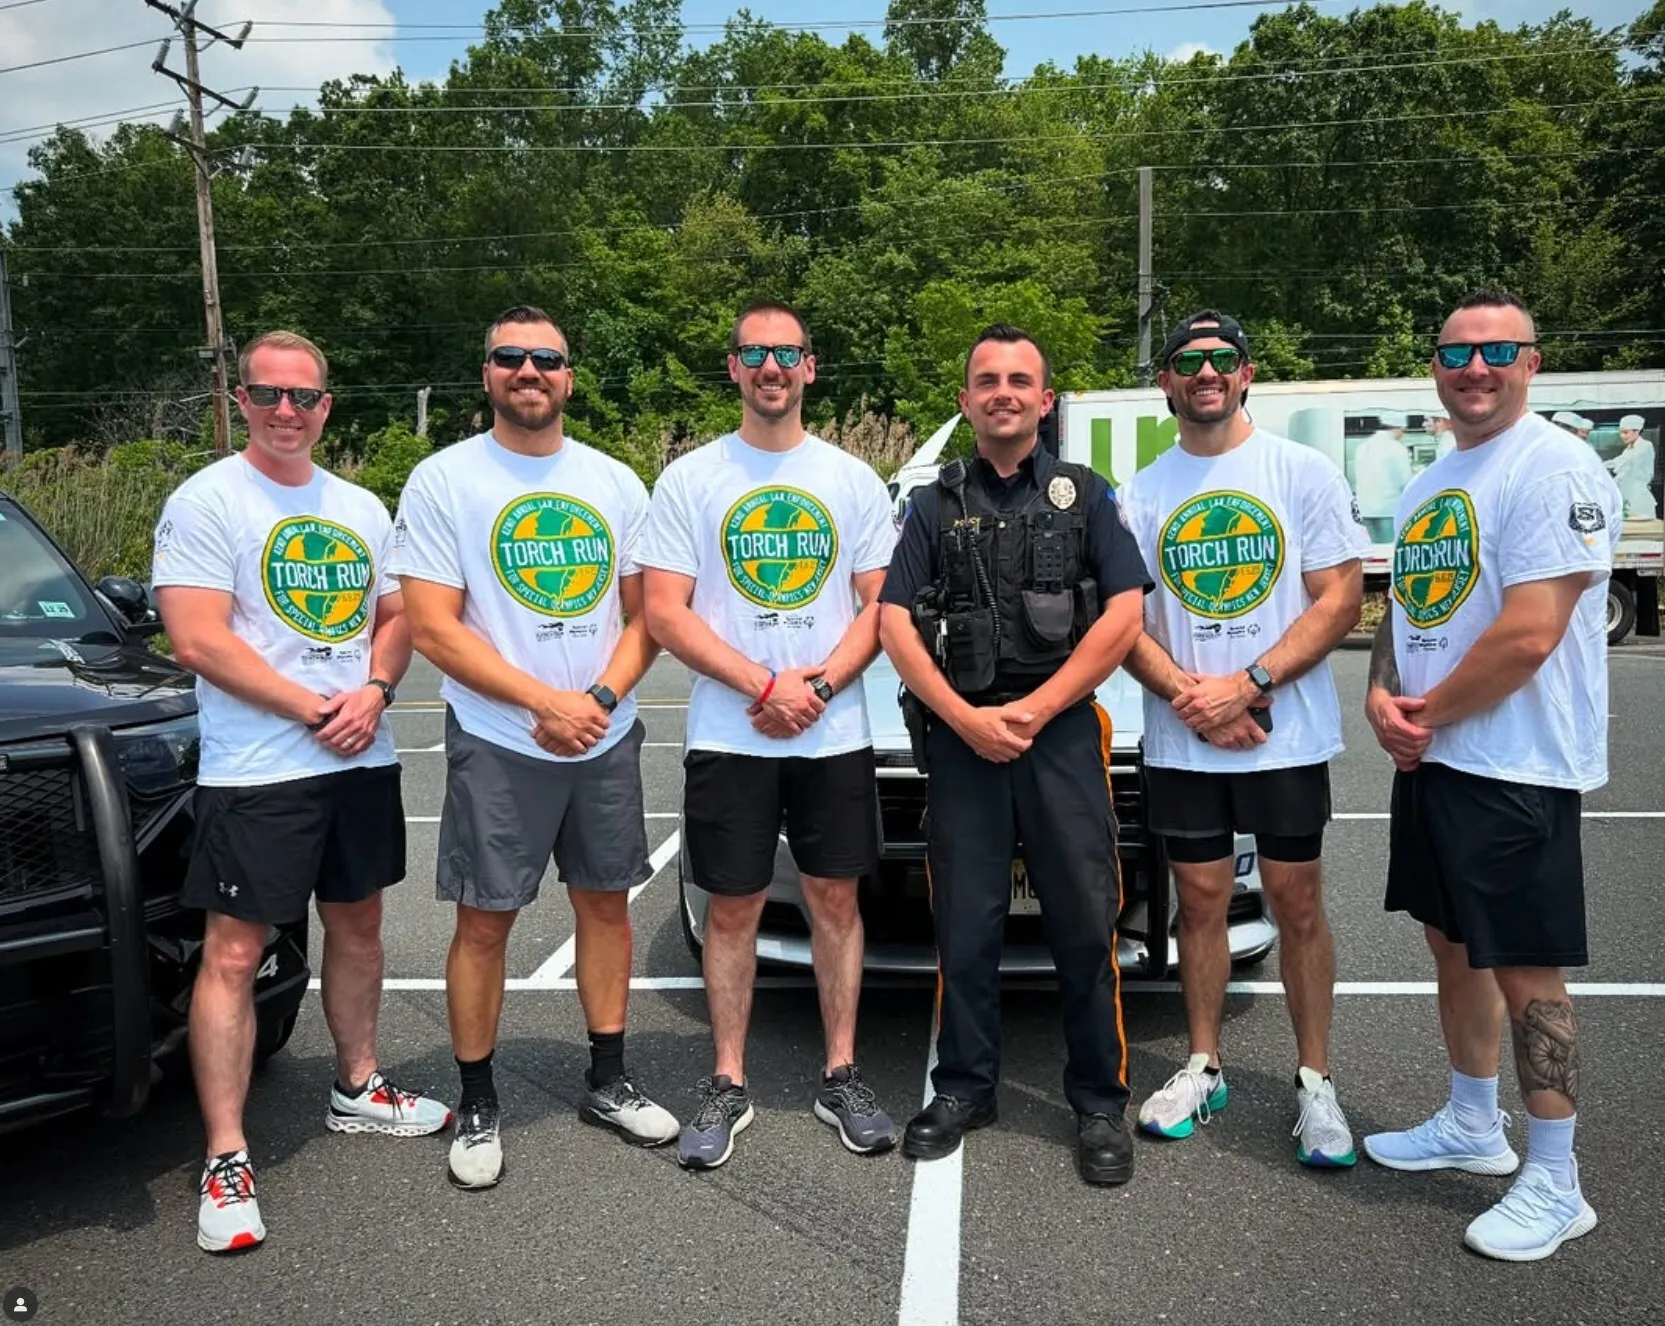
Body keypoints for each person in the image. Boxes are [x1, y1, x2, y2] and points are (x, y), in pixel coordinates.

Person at [152, 330, 451, 1254]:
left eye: (305, 397)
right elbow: (196, 638)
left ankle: (356, 1088)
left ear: (328, 405)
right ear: (239, 398)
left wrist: (372, 692)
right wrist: (316, 707)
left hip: (356, 759)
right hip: (259, 771)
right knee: (235, 956)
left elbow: (395, 615)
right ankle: (228, 1155)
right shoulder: (206, 501)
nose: (287, 411)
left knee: (359, 924)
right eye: (268, 394)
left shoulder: (360, 506)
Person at [390, 306, 676, 1191]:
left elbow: (645, 617)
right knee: (485, 923)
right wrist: (543, 702)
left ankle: (608, 1077)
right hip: (499, 738)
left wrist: (594, 700)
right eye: (510, 358)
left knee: (605, 909)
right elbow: (433, 629)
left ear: (568, 377)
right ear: (486, 374)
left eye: (545, 360)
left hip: (601, 733)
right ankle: (478, 1099)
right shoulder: (443, 482)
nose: (529, 371)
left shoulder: (615, 482)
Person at [1363, 289, 1621, 1261]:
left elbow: (1529, 634)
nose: (1475, 368)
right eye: (1457, 352)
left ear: (1532, 361)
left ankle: (1556, 1179)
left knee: (1526, 970)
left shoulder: (1553, 466)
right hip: (1436, 754)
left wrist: (1423, 717)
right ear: (1435, 365)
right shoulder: (1438, 479)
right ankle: (1474, 1123)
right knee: (1451, 944)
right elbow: (1409, 607)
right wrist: (1383, 694)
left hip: (1512, 765)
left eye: (1497, 351)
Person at [877, 324, 1150, 1185]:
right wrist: (961, 715)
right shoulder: (932, 503)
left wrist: (1031, 709)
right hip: (961, 739)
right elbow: (892, 623)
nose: (1002, 392)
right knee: (965, 924)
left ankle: (1099, 1103)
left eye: (1018, 380)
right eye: (985, 380)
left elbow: (1123, 615)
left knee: (1081, 921)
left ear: (1044, 400)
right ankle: (963, 1087)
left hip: (1059, 732)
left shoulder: (1085, 494)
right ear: (965, 402)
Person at [640, 300, 899, 1169]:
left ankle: (840, 1074)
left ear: (810, 368)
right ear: (734, 368)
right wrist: (762, 684)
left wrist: (817, 684)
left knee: (834, 900)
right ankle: (725, 1080)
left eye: (786, 352)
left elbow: (880, 605)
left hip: (830, 730)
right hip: (731, 729)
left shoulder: (851, 480)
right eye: (755, 352)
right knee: (733, 907)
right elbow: (663, 611)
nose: (771, 366)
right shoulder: (691, 479)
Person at [1117, 310, 1366, 1167]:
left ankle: (1315, 1082)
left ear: (1247, 372)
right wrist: (1196, 697)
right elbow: (1127, 621)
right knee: (1200, 904)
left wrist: (1247, 685)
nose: (1206, 373)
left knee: (1296, 903)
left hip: (1282, 735)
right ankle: (1203, 1063)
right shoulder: (1142, 491)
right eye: (1188, 362)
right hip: (1188, 736)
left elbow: (1339, 597)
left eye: (1222, 359)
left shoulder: (1299, 472)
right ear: (1166, 384)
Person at [1353, 410, 1413, 544]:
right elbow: (1406, 481)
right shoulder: (1397, 449)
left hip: (1365, 509)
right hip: (1389, 510)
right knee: (1390, 552)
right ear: (1399, 428)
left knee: (1372, 553)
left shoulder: (1363, 446)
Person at [1608, 414, 1657, 520]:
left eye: (1625, 432)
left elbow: (1623, 461)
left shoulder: (1645, 446)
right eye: (1621, 432)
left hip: (1639, 496)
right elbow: (1620, 472)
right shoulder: (1627, 450)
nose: (1622, 436)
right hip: (1627, 496)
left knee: (1642, 531)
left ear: (1637, 431)